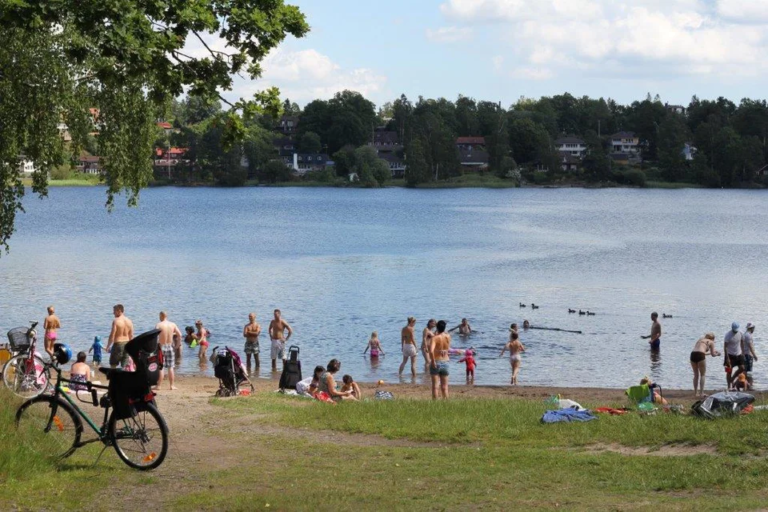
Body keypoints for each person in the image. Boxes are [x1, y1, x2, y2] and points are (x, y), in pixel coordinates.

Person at [156, 311, 182, 390]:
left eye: (159, 316)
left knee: (161, 367)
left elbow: (154, 336)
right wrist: (177, 345)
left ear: (161, 316)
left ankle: (159, 385)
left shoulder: (159, 325)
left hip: (161, 346)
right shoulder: (172, 324)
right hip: (170, 346)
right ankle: (172, 385)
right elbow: (180, 335)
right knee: (171, 367)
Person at [106, 304, 133, 368]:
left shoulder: (116, 321)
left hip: (118, 344)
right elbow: (131, 335)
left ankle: (113, 374)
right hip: (127, 344)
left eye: (114, 311)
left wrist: (108, 346)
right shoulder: (129, 321)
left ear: (119, 311)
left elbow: (112, 335)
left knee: (113, 364)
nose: (113, 313)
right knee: (124, 365)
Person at [429, 320, 451, 399]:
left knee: (435, 386)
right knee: (445, 387)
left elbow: (431, 351)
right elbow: (447, 348)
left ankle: (435, 403)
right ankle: (446, 402)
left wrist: (433, 361)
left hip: (437, 361)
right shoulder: (448, 336)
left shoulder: (434, 338)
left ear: (437, 327)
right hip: (445, 361)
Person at [724, 322, 745, 390]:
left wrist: (743, 352)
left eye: (736, 330)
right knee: (729, 371)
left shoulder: (740, 333)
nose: (735, 331)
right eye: (734, 330)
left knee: (742, 368)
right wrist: (727, 358)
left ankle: (732, 379)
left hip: (739, 354)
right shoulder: (728, 335)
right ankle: (729, 386)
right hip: (730, 355)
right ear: (732, 328)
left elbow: (742, 343)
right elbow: (725, 347)